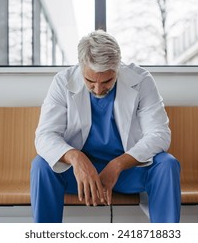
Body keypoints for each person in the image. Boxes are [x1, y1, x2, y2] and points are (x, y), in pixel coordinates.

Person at [30, 30, 181, 223]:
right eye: (90, 81)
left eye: (107, 81)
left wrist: (117, 165)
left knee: (167, 164)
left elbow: (159, 134)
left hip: (127, 171)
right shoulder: (62, 81)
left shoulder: (141, 80)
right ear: (81, 67)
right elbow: (45, 135)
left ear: (117, 68)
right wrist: (76, 158)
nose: (99, 89)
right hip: (80, 176)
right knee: (41, 166)